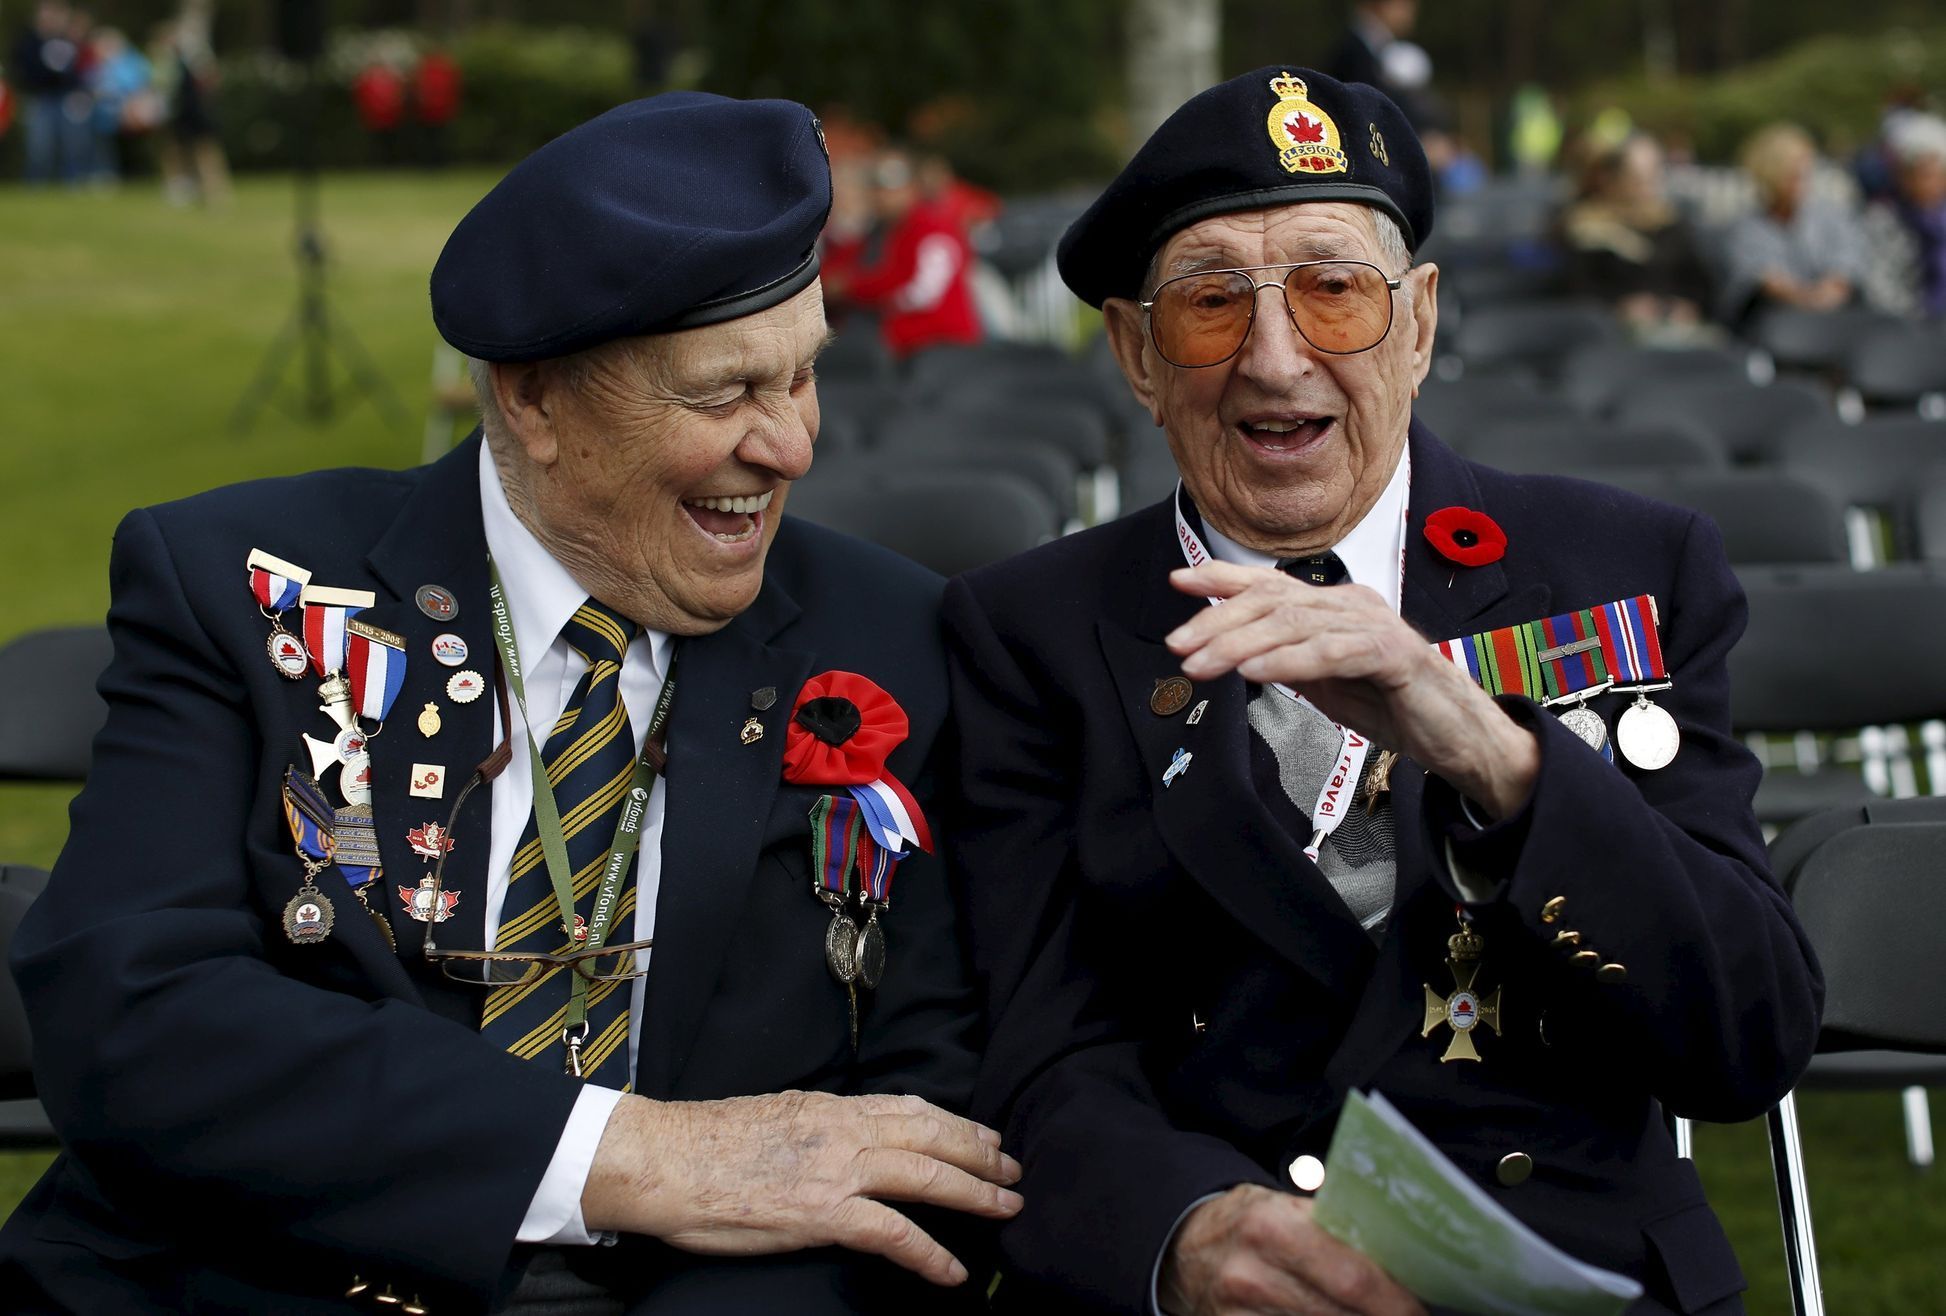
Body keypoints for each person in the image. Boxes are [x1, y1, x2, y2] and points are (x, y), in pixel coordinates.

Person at [1, 92, 1019, 1315]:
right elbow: (133, 1011)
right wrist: (619, 1155)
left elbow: (918, 1105)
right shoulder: (244, 586)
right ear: (534, 401)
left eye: (804, 375)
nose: (794, 444)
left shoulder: (893, 636)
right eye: (722, 393)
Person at [945, 66, 1821, 1316]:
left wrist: (1496, 757)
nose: (1272, 358)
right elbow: (1041, 1054)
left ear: (1416, 323)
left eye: (1333, 293)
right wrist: (1183, 1231)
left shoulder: (1627, 568)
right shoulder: (1025, 631)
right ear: (1136, 355)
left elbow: (1745, 1034)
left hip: (1561, 1263)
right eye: (1208, 305)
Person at [823, 146, 984, 359]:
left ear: (913, 187)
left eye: (892, 186)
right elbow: (840, 266)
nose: (883, 195)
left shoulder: (934, 230)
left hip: (942, 348)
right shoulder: (878, 232)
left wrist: (851, 287)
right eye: (876, 186)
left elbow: (918, 292)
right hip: (899, 349)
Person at [1558, 132, 1714, 340]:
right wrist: (1620, 306)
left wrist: (1686, 304)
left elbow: (1699, 281)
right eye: (1637, 179)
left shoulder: (1671, 223)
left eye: (1653, 177)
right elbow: (1578, 290)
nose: (1647, 188)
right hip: (1615, 335)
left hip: (1679, 327)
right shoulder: (1585, 226)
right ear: (1610, 179)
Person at [1718, 122, 1866, 325]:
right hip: (1779, 322)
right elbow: (1763, 279)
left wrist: (1830, 291)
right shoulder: (1746, 229)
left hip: (1835, 317)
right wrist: (1807, 298)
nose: (1802, 181)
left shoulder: (1831, 215)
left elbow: (1847, 263)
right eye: (1793, 176)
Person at [1861, 112, 1946, 320]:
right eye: (1921, 173)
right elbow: (1880, 291)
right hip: (1908, 329)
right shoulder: (1883, 219)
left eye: (1936, 172)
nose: (1929, 182)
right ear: (1902, 177)